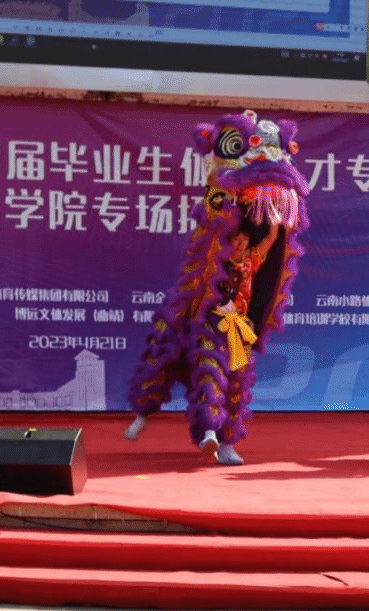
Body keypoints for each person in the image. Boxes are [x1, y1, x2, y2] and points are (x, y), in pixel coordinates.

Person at [123, 109, 310, 466]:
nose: (239, 243)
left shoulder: (252, 259)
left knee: (236, 380)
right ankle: (151, 418)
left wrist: (276, 220)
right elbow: (213, 211)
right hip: (207, 317)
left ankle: (225, 443)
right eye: (235, 240)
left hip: (237, 325)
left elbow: (272, 239)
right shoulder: (215, 243)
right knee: (186, 366)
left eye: (243, 241)